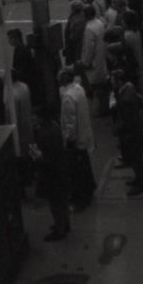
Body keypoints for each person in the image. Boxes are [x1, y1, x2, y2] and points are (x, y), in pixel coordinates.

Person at [58, 68, 96, 212]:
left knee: (76, 172)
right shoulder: (79, 89)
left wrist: (68, 141)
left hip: (75, 140)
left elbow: (69, 124)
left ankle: (81, 201)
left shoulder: (67, 97)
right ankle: (90, 188)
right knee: (85, 166)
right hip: (85, 134)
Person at [31, 113, 71, 241]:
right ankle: (66, 224)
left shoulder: (43, 134)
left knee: (55, 203)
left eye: (34, 116)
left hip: (51, 173)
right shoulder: (55, 126)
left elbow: (46, 158)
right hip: (61, 168)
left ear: (40, 117)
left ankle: (60, 230)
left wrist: (36, 156)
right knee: (63, 201)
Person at [110, 69, 143, 196]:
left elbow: (126, 121)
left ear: (119, 81)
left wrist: (116, 130)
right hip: (136, 127)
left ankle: (141, 185)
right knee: (137, 158)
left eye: (113, 80)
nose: (111, 82)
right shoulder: (130, 87)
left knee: (136, 158)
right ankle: (138, 179)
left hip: (132, 132)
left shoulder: (125, 99)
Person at [81, 4, 107, 115]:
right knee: (102, 84)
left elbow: (89, 48)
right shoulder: (100, 23)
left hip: (95, 59)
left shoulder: (89, 29)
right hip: (102, 56)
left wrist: (86, 61)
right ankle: (104, 107)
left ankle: (101, 109)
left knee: (97, 86)